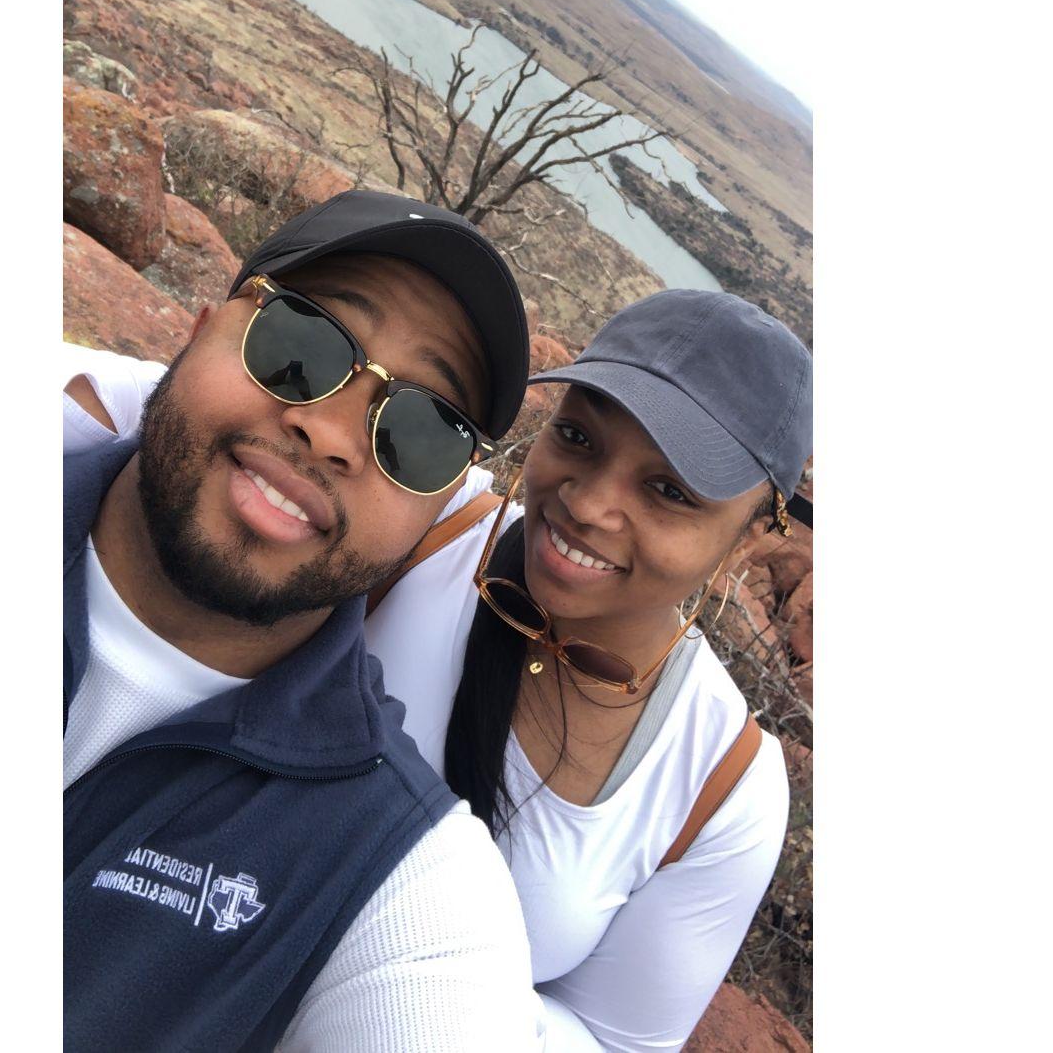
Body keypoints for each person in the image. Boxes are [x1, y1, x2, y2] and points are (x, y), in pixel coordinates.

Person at [74, 280, 812, 1049]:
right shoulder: (419, 529)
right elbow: (166, 416)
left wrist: (394, 972)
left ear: (756, 534)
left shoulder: (721, 788)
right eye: (580, 440)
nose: (590, 505)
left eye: (667, 491)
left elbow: (614, 1038)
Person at [63, 190, 548, 1051]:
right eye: (300, 341)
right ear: (202, 324)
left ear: (439, 501)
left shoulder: (395, 875)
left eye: (423, 429)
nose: (330, 434)